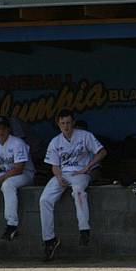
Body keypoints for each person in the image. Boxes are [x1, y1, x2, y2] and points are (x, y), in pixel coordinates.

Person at [39, 109, 107, 260]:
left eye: (68, 123)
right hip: (62, 174)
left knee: (78, 191)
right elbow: (54, 165)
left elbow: (102, 152)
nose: (66, 126)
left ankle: (84, 230)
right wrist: (58, 177)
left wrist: (87, 167)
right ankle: (49, 240)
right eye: (63, 123)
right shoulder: (55, 141)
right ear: (58, 124)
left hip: (80, 173)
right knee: (44, 200)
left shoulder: (84, 136)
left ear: (73, 123)